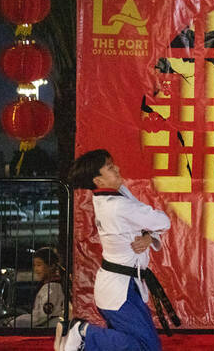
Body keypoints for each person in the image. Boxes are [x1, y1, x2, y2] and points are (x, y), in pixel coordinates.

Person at [55, 149, 174, 351]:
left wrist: (149, 236)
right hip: (120, 291)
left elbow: (153, 225)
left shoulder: (110, 197)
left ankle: (84, 337)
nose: (117, 168)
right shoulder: (117, 206)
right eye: (110, 167)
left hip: (123, 287)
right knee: (146, 348)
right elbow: (163, 220)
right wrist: (150, 233)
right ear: (98, 180)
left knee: (136, 346)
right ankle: (83, 332)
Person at [7, 246, 64, 328]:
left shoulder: (52, 288)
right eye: (35, 265)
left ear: (51, 266)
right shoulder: (49, 286)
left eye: (39, 265)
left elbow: (41, 317)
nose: (36, 269)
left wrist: (15, 322)